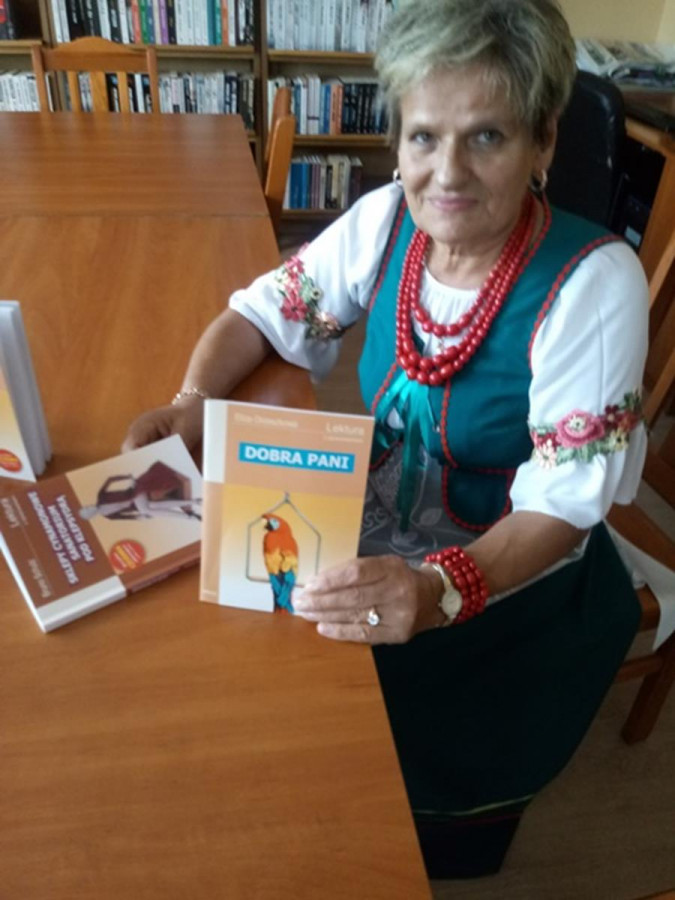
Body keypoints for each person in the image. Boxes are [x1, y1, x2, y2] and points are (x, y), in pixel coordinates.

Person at [123, 0, 648, 879]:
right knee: (233, 648)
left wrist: (439, 590)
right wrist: (191, 403)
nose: (446, 173)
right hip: (375, 517)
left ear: (543, 143)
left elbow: (560, 507)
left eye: (486, 137)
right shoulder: (385, 222)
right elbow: (262, 313)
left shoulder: (593, 284)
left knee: (376, 761)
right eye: (423, 137)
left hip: (506, 573)